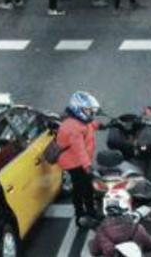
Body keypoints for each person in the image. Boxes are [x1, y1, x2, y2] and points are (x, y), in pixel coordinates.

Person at [57, 91, 102, 227]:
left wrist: (102, 125)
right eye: (88, 111)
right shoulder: (73, 128)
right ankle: (81, 215)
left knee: (85, 187)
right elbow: (79, 150)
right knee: (81, 188)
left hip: (78, 161)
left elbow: (90, 125)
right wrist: (88, 167)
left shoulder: (80, 120)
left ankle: (89, 211)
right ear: (78, 109)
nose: (90, 113)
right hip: (73, 163)